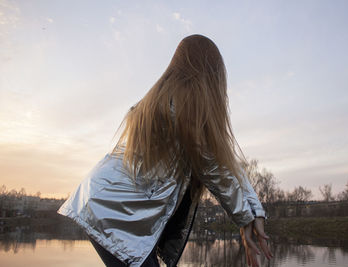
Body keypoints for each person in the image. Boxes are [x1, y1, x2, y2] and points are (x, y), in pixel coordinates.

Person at [57, 34, 273, 267]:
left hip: (108, 207)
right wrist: (244, 219)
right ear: (212, 74)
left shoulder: (167, 100)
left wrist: (255, 211)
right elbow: (212, 167)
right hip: (113, 213)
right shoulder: (181, 105)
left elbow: (226, 164)